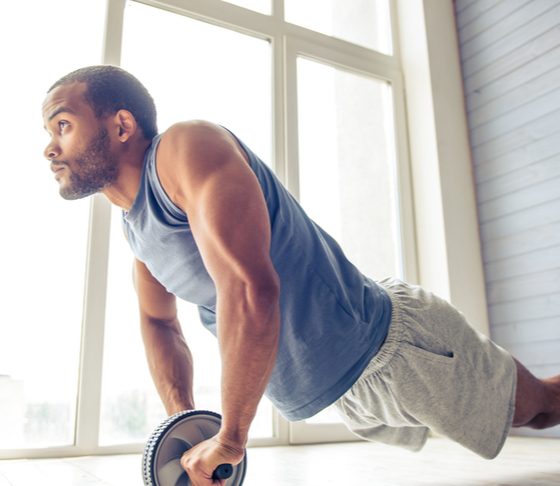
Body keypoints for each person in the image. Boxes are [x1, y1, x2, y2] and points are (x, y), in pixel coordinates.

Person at [42, 65, 560, 485]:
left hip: (393, 350)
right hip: (345, 389)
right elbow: (159, 324)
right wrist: (187, 424)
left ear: (122, 125)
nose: (49, 147)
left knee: (541, 409)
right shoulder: (136, 231)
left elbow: (250, 289)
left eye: (62, 125)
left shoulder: (184, 149)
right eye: (48, 133)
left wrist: (231, 439)